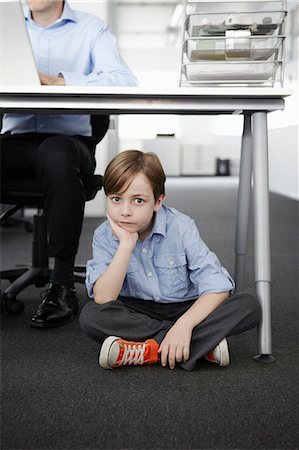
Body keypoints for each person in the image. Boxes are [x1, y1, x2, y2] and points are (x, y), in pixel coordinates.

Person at [0, 0, 137, 328]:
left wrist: (60, 81)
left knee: (56, 155)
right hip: (15, 141)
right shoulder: (6, 28)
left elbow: (124, 82)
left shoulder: (92, 29)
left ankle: (61, 285)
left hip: (69, 143)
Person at [80, 150, 261, 371]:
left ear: (158, 201)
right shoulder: (104, 235)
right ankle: (198, 345)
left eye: (138, 200)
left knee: (249, 305)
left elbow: (218, 287)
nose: (125, 211)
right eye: (116, 199)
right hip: (138, 310)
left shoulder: (181, 227)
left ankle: (146, 349)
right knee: (91, 316)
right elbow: (104, 297)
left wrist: (184, 324)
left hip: (185, 307)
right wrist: (126, 245)